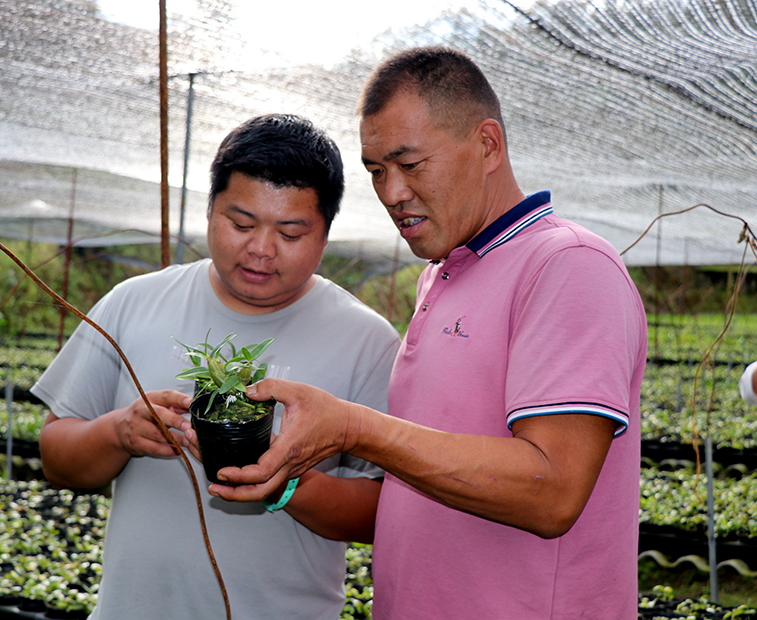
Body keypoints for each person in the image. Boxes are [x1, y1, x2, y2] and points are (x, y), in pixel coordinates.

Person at [210, 47, 648, 619]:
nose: (392, 193)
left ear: (487, 145)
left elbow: (552, 490)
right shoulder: (441, 276)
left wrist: (352, 428)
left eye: (410, 165)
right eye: (376, 171)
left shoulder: (567, 264)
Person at [32, 113, 401, 619]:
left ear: (324, 233)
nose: (261, 250)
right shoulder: (132, 303)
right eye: (241, 223)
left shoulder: (368, 341)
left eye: (290, 233)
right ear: (209, 209)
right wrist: (119, 432)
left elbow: (385, 513)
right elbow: (56, 457)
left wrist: (286, 481)